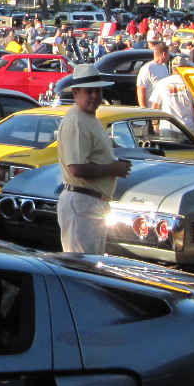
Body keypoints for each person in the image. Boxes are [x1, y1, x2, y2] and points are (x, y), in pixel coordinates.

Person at [55, 65, 131, 253]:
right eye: (89, 91)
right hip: (82, 202)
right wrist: (113, 169)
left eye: (98, 90)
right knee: (81, 265)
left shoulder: (88, 118)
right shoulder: (76, 121)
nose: (95, 96)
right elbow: (76, 168)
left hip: (92, 203)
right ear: (75, 93)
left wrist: (114, 166)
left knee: (93, 263)